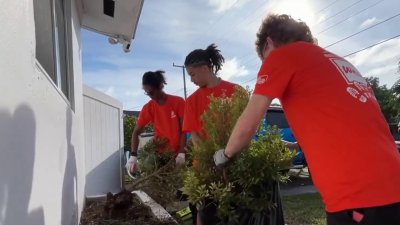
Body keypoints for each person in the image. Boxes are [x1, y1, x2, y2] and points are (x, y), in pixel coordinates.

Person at [214, 14, 400, 225]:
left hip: (357, 196)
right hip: (393, 183)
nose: (265, 63)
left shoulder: (281, 56)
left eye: (263, 57)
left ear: (269, 42)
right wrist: (294, 145)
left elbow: (249, 122)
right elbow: (340, 119)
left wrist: (225, 154)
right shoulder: (339, 62)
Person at [182, 43, 245, 225]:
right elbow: (195, 137)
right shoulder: (192, 101)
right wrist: (211, 163)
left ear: (204, 68)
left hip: (235, 165)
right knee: (206, 213)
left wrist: (228, 157)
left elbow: (245, 127)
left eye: (192, 74)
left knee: (236, 214)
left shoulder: (236, 91)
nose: (192, 80)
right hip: (206, 168)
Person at [125, 70, 186, 173]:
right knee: (151, 174)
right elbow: (136, 132)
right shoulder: (149, 108)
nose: (150, 96)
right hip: (160, 154)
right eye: (147, 93)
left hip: (178, 154)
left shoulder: (178, 102)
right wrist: (133, 155)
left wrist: (181, 153)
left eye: (151, 92)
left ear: (161, 86)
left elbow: (184, 129)